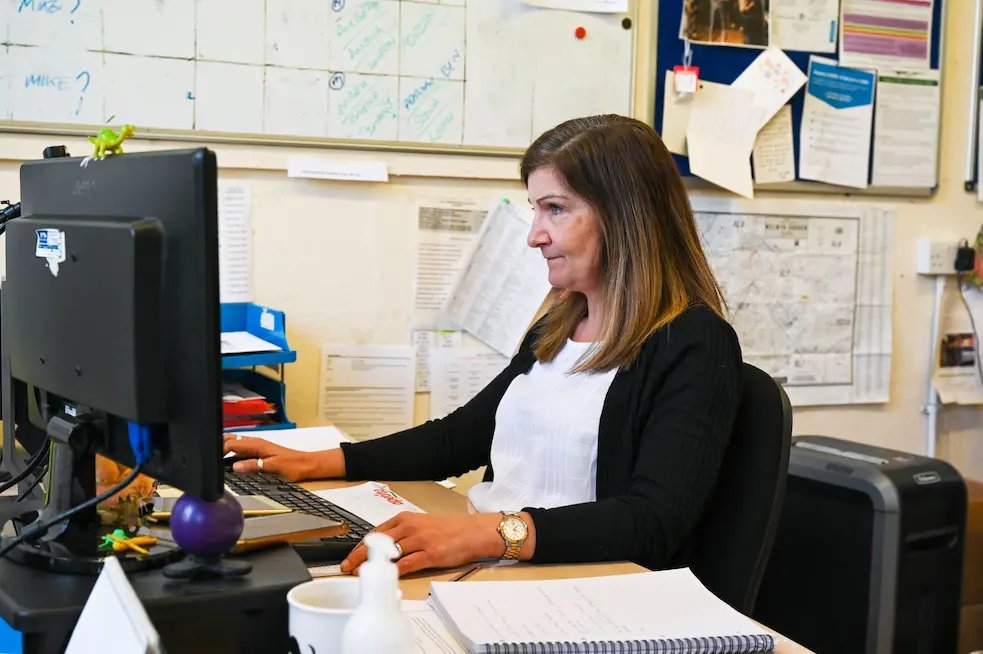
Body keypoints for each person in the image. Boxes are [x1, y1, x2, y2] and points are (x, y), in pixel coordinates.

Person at [225, 114, 744, 578]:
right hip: (501, 566)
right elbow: (459, 438)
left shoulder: (694, 343)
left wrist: (486, 533)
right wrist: (313, 460)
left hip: (583, 586)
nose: (534, 234)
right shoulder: (558, 326)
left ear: (626, 217)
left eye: (556, 209)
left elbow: (652, 521)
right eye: (535, 209)